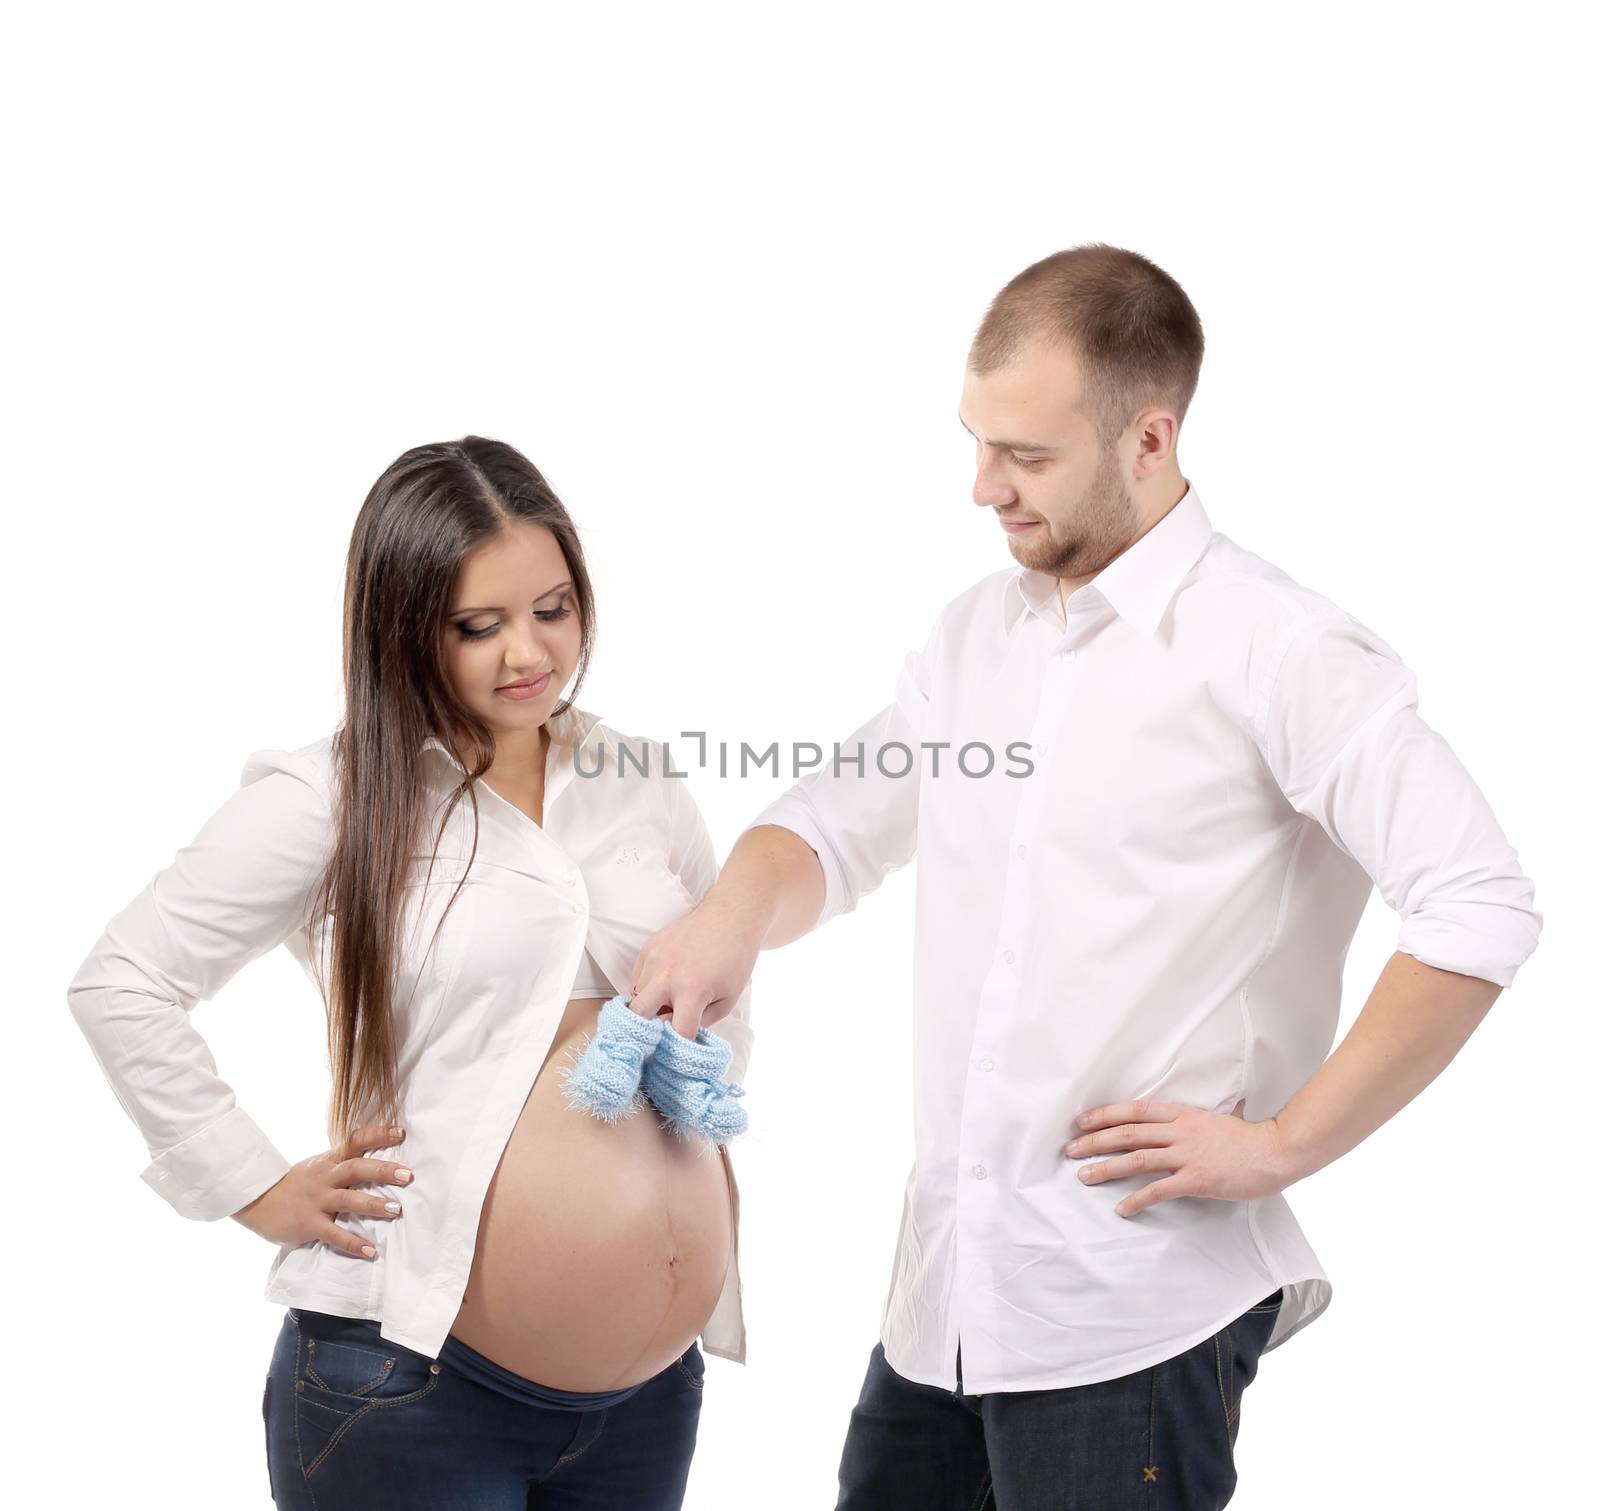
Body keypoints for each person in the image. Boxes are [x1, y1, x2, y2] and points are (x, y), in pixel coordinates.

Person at [627, 244, 1543, 1508]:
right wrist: (733, 913)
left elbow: (1479, 904)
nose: (982, 486)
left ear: (1149, 439)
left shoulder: (1283, 651)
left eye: (1027, 455)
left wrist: (1281, 1144)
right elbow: (829, 828)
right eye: (976, 440)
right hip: (946, 1304)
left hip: (1133, 1320)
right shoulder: (972, 636)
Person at [66, 436, 751, 1509]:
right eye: (477, 625)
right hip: (409, 1392)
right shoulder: (331, 796)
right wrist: (249, 1182)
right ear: (399, 623)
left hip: (647, 1404)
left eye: (554, 607)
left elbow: (719, 976)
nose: (528, 651)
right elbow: (124, 978)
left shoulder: (633, 774)